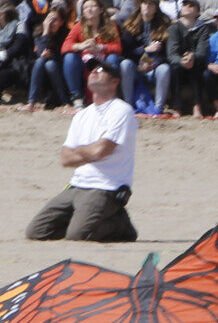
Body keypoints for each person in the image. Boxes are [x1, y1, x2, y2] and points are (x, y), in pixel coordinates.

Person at [25, 57, 138, 242]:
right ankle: (91, 217)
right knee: (36, 232)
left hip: (105, 187)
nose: (94, 72)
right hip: (77, 184)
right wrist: (90, 150)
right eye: (92, 70)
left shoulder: (121, 110)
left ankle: (120, 224)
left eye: (101, 71)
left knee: (78, 235)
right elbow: (65, 159)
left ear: (115, 81)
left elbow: (100, 151)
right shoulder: (82, 115)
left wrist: (82, 150)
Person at [62, 0, 123, 107]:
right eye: (85, 8)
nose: (89, 9)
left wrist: (100, 48)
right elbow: (65, 46)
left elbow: (118, 48)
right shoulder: (78, 26)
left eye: (93, 6)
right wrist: (80, 45)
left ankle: (108, 95)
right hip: (84, 62)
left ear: (100, 10)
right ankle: (77, 97)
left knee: (113, 58)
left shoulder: (110, 26)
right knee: (69, 57)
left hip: (102, 61)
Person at [119, 0, 171, 115]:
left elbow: (166, 55)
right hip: (136, 68)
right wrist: (146, 50)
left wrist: (154, 64)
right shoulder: (130, 26)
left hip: (154, 68)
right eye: (144, 3)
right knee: (125, 64)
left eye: (151, 4)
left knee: (165, 68)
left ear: (156, 8)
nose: (147, 6)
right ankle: (129, 105)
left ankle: (159, 108)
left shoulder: (164, 27)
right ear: (140, 6)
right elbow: (126, 52)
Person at [166, 0, 210, 117]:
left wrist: (192, 56)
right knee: (174, 68)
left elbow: (202, 51)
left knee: (198, 68)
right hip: (179, 65)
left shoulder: (203, 29)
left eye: (191, 5)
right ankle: (177, 107)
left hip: (195, 64)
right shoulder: (174, 28)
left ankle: (197, 106)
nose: (186, 7)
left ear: (197, 12)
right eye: (185, 5)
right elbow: (171, 54)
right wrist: (181, 61)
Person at [24, 2, 70, 111]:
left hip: (59, 71)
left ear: (62, 22)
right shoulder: (39, 32)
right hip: (42, 73)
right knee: (41, 61)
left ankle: (65, 102)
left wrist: (52, 56)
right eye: (49, 19)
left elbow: (64, 56)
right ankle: (31, 102)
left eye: (55, 20)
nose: (51, 23)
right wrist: (46, 32)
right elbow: (40, 52)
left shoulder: (66, 34)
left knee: (50, 64)